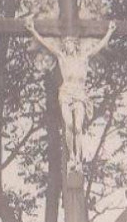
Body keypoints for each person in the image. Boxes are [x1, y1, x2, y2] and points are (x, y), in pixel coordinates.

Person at [24, 17, 116, 170]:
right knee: (68, 125)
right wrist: (33, 30)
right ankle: (72, 157)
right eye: (65, 44)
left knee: (78, 127)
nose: (68, 47)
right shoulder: (62, 58)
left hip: (79, 94)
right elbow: (46, 44)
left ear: (75, 45)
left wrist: (110, 32)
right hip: (66, 93)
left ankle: (78, 159)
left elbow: (99, 46)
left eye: (70, 44)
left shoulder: (84, 58)